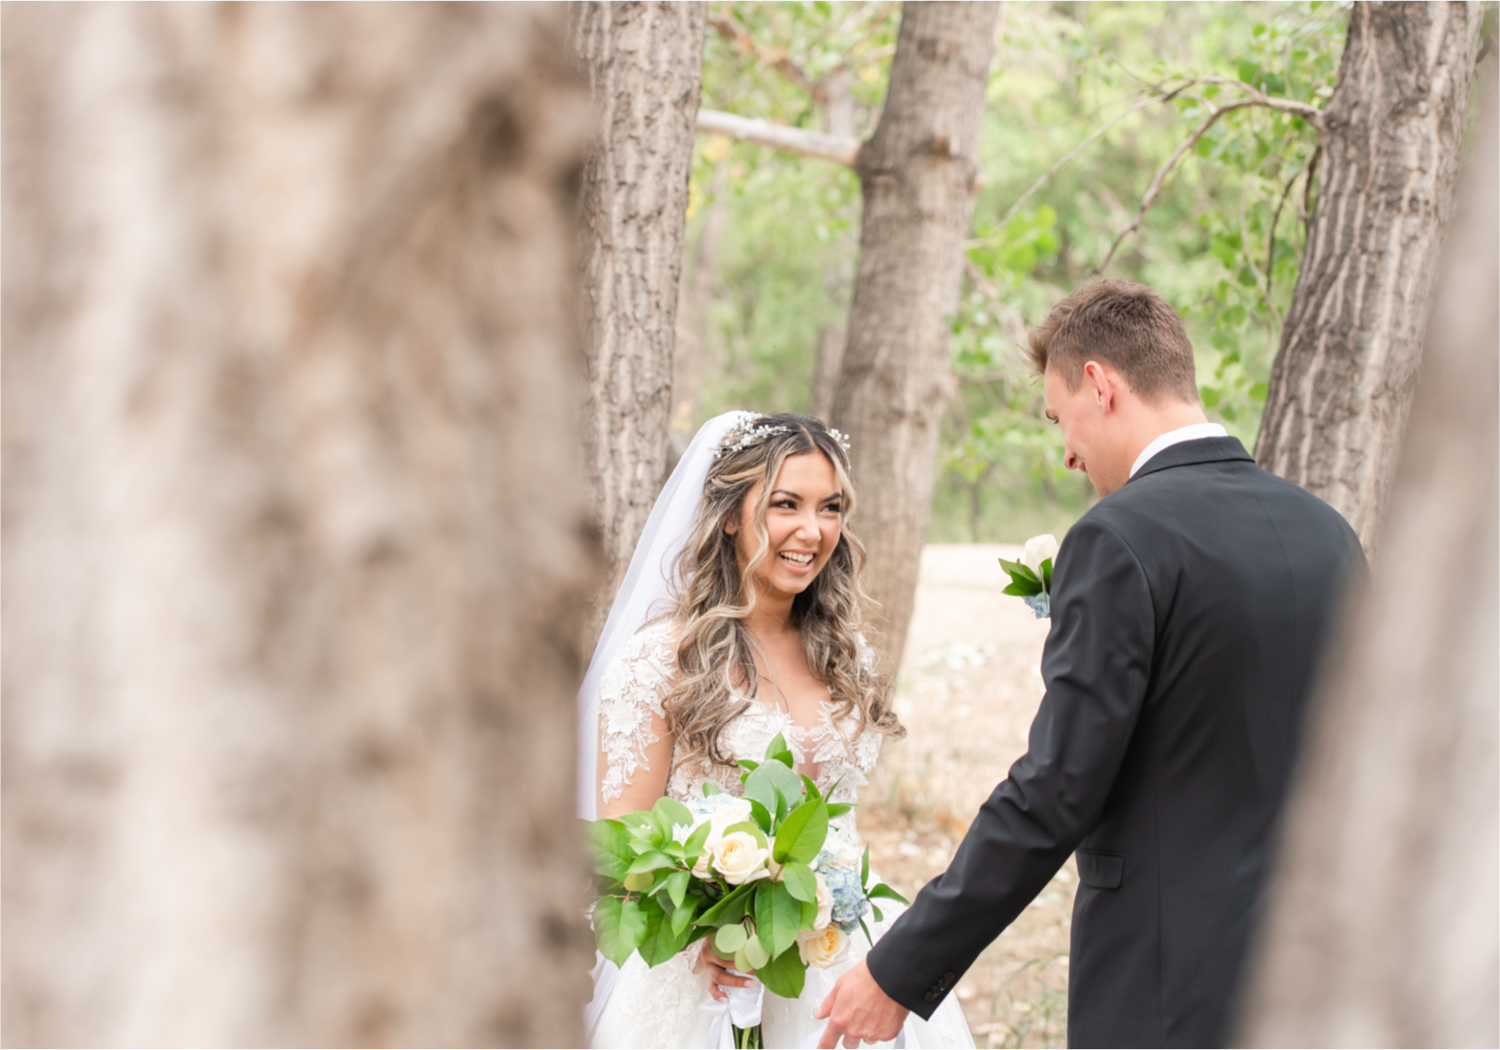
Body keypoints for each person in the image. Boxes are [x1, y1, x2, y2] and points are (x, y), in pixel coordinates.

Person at [816, 279, 1368, 1049]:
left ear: (1100, 384)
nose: (1068, 452)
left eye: (1058, 418)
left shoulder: (1119, 537)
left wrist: (901, 968)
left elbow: (1057, 788)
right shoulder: (1327, 532)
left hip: (1165, 979)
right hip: (1320, 970)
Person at [580, 411, 974, 1049]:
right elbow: (622, 845)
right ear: (730, 516)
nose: (812, 531)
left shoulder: (845, 656)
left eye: (830, 508)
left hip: (842, 965)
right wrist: (702, 937)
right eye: (786, 504)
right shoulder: (660, 662)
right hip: (709, 983)